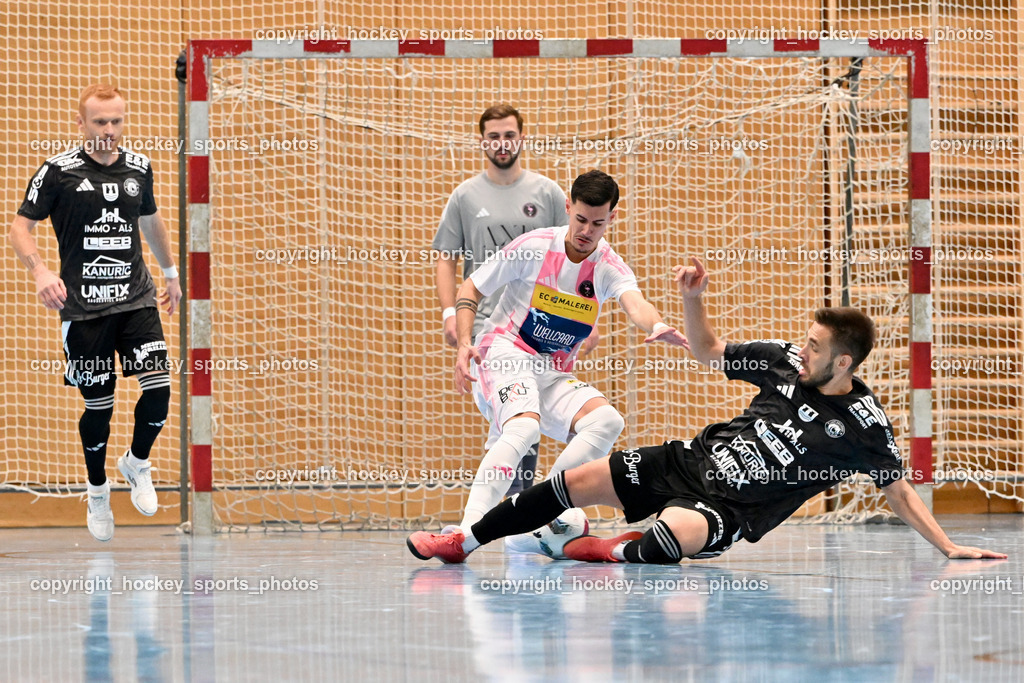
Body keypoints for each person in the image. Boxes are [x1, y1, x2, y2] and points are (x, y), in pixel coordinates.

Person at [408, 257, 1006, 563]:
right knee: (573, 483)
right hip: (690, 462)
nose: (803, 350)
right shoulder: (783, 361)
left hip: (726, 510)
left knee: (672, 537)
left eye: (816, 347)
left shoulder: (863, 426)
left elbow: (898, 490)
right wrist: (693, 300)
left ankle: (608, 549)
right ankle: (465, 541)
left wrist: (948, 547)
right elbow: (709, 350)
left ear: (844, 363)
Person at [430, 169, 687, 542]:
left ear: (612, 218)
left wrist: (657, 325)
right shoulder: (533, 247)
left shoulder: (608, 266)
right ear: (568, 207)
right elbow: (472, 286)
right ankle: (466, 531)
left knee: (607, 421)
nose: (586, 231)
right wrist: (464, 343)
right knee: (524, 428)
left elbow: (636, 303)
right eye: (580, 219)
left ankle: (545, 508)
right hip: (503, 352)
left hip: (548, 370)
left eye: (597, 223)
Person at [10, 84, 182, 541]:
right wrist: (40, 271)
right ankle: (98, 489)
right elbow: (20, 228)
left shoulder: (139, 167)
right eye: (100, 121)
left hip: (136, 298)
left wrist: (170, 273)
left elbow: (150, 220)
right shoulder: (57, 171)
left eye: (116, 121)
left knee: (160, 388)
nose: (108, 129)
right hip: (84, 309)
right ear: (81, 122)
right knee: (99, 406)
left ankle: (137, 462)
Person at [434, 104, 592, 496]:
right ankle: (515, 507)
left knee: (522, 416)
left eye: (509, 135)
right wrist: (450, 312)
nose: (502, 143)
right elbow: (446, 257)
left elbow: (577, 256)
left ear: (522, 138)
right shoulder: (465, 196)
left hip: (539, 326)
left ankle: (515, 508)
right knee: (515, 414)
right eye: (493, 136)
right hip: (487, 326)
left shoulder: (547, 193)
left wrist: (586, 322)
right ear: (482, 141)